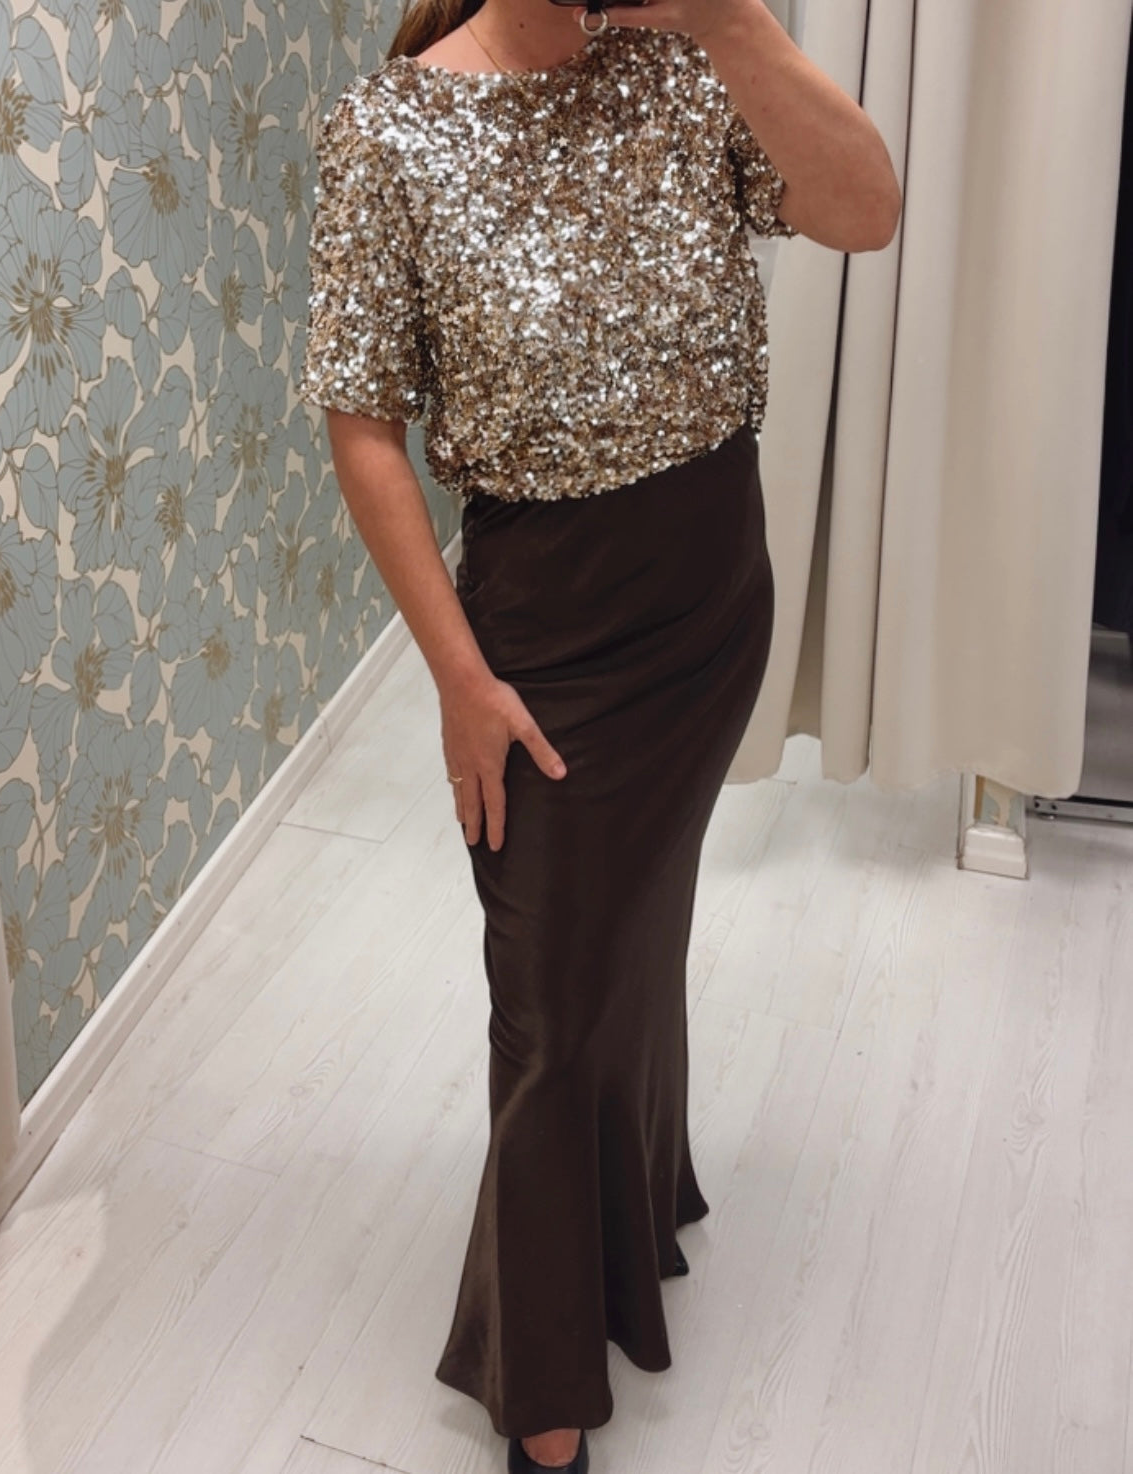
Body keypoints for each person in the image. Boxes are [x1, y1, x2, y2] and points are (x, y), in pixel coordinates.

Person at [297, 2, 900, 1470]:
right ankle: (546, 1403)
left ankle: (634, 1206)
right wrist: (457, 676)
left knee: (637, 932)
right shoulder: (390, 130)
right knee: (551, 1013)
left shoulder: (689, 60)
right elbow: (364, 424)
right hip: (546, 638)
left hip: (709, 603)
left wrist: (726, 15)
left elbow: (865, 210)